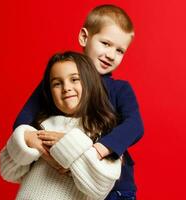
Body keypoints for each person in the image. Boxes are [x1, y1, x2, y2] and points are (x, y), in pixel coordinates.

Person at [12, 5, 144, 200]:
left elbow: (134, 125)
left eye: (120, 50)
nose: (111, 54)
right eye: (106, 43)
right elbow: (22, 122)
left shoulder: (120, 89)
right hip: (67, 182)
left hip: (114, 184)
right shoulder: (58, 80)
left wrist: (98, 149)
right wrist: (42, 149)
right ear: (84, 37)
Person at [0, 52, 122, 200]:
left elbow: (100, 188)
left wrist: (67, 146)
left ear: (91, 82)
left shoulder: (108, 134)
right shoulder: (41, 125)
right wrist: (25, 137)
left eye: (74, 79)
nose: (66, 88)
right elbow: (8, 172)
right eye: (57, 83)